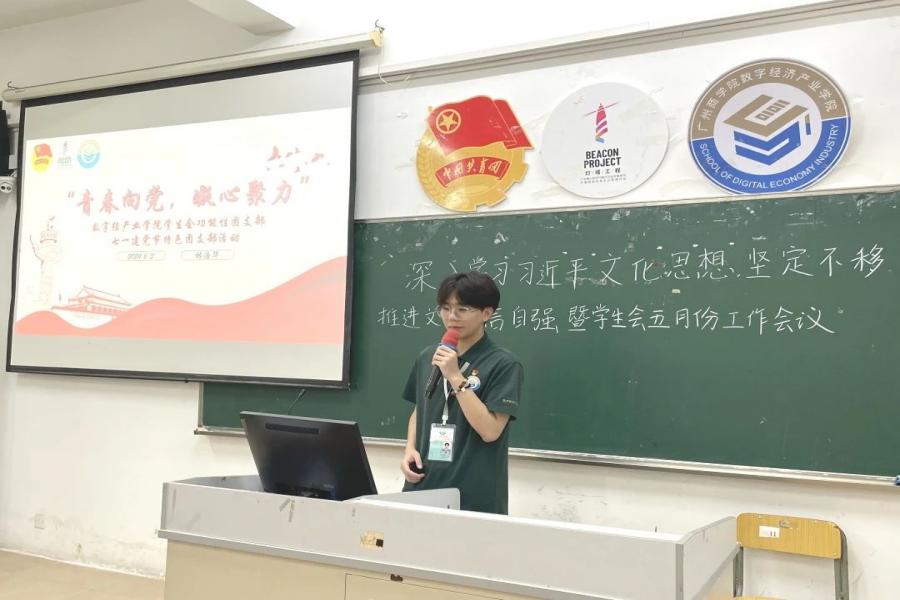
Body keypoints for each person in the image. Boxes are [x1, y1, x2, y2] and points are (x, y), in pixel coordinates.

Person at [400, 272, 524, 514]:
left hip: (472, 494)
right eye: (445, 308)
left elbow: (490, 431)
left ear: (487, 313)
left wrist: (455, 377)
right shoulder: (428, 356)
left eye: (463, 309)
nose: (452, 316)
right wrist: (409, 449)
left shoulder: (504, 363)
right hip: (422, 486)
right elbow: (420, 409)